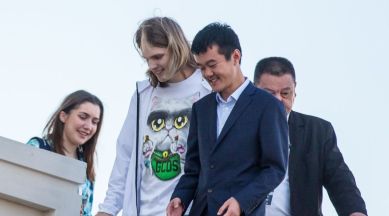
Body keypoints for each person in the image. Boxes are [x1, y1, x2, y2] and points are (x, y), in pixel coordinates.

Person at [167, 23, 289, 216]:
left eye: (212, 65)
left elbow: (274, 169)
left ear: (235, 57)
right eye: (202, 67)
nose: (207, 73)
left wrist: (241, 201)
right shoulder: (201, 109)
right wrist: (180, 197)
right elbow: (193, 168)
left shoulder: (268, 106)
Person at [96, 17, 211, 216]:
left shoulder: (208, 89)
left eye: (158, 57)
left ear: (177, 47)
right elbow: (125, 155)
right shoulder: (143, 94)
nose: (152, 65)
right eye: (146, 59)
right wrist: (108, 209)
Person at [253, 57, 367, 216]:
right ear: (254, 91)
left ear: (295, 91)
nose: (278, 100)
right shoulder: (236, 128)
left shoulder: (317, 132)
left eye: (285, 93)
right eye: (270, 94)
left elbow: (340, 181)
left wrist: (355, 212)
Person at [27, 90, 104, 216]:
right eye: (83, 117)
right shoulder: (38, 148)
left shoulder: (87, 170)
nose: (88, 126)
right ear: (63, 116)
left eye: (94, 122)